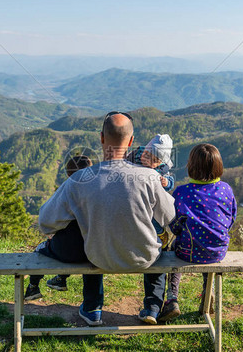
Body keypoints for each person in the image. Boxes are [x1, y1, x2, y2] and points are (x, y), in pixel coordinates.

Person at [37, 111, 176, 326]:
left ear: (101, 137)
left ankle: (92, 309)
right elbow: (170, 217)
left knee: (91, 234)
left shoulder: (80, 180)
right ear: (131, 142)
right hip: (145, 256)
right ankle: (152, 307)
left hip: (98, 256)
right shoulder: (150, 178)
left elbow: (45, 222)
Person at [158, 143, 237, 322]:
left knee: (175, 245)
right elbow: (231, 219)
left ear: (191, 167)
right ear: (218, 166)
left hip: (188, 251)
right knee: (206, 240)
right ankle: (207, 295)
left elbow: (175, 226)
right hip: (218, 251)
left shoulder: (182, 193)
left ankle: (172, 298)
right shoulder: (226, 189)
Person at [24, 155, 93, 300]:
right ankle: (61, 279)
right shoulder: (97, 191)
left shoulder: (68, 190)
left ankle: (33, 287)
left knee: (41, 248)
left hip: (68, 252)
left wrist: (52, 231)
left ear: (68, 175)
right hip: (93, 252)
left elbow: (46, 219)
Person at [126, 134, 175, 248]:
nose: (147, 160)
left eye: (154, 160)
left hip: (151, 198)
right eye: (147, 154)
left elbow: (170, 181)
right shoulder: (134, 156)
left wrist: (166, 183)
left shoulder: (162, 169)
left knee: (153, 219)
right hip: (135, 193)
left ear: (160, 162)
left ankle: (160, 234)